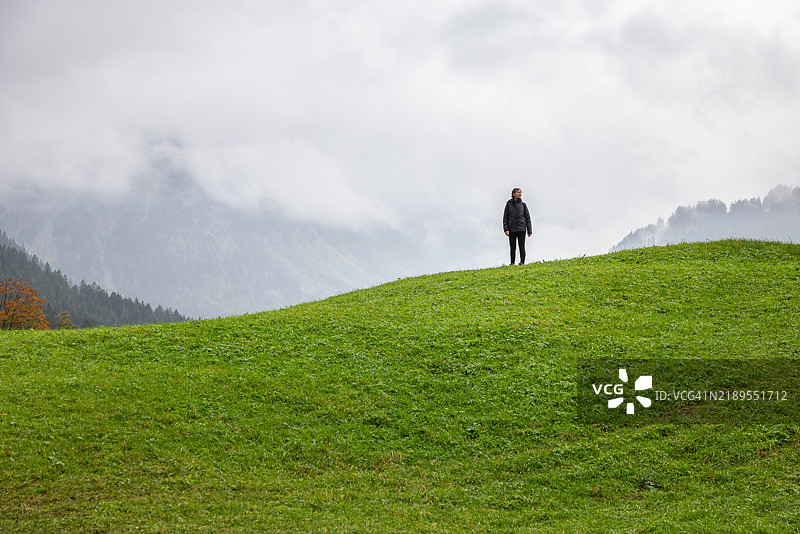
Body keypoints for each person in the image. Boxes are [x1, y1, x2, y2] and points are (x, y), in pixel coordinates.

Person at [502, 188, 532, 265]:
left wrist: (529, 230)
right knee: (512, 247)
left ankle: (522, 262)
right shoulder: (508, 205)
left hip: (521, 228)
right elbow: (505, 218)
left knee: (521, 247)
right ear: (513, 194)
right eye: (518, 192)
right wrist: (506, 229)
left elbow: (527, 217)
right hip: (511, 229)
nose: (520, 194)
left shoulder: (523, 205)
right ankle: (512, 263)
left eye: (521, 192)